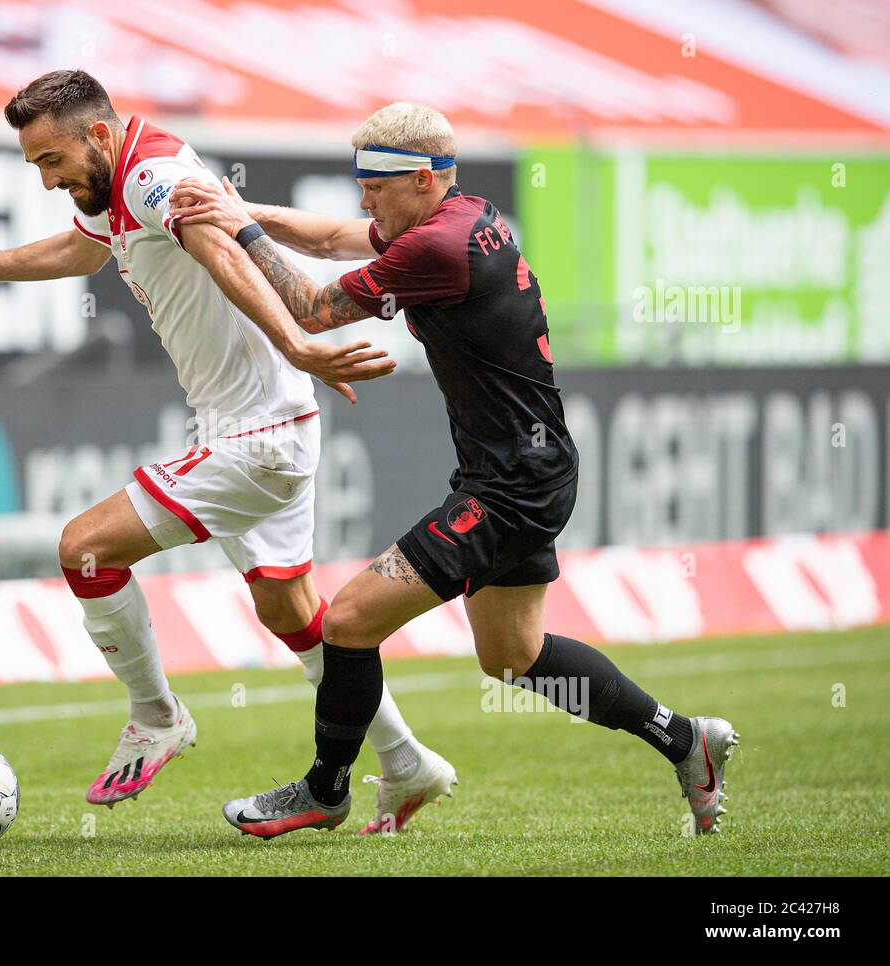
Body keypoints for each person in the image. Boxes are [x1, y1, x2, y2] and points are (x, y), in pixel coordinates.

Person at [0, 72, 456, 831]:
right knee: (294, 615)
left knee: (85, 548)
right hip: (265, 425)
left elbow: (217, 244)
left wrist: (297, 338)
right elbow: (82, 251)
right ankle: (406, 760)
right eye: (36, 168)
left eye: (52, 162)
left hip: (256, 436)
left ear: (97, 134)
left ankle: (156, 714)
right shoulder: (118, 184)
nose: (50, 182)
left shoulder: (153, 175)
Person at [168, 101, 738, 839]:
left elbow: (310, 308)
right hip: (528, 467)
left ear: (427, 178)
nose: (363, 198)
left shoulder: (438, 249)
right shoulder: (462, 217)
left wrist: (233, 228)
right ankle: (684, 740)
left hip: (510, 487)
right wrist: (240, 204)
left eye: (376, 184)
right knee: (515, 657)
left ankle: (324, 790)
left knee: (346, 620)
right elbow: (340, 236)